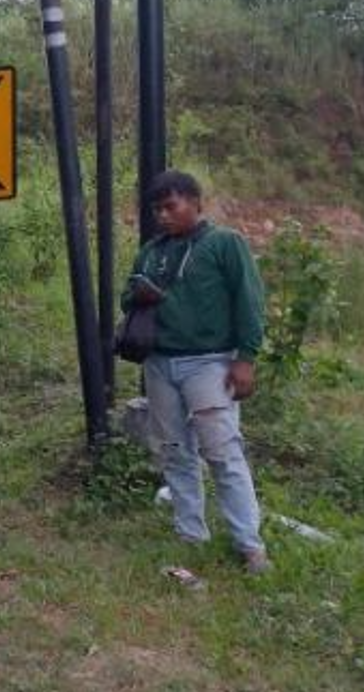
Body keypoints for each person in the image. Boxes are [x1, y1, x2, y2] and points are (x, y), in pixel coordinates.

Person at [123, 170, 270, 574]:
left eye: (171, 206)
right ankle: (190, 532)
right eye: (157, 209)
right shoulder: (153, 251)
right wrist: (138, 295)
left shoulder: (225, 244)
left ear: (196, 202)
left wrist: (246, 358)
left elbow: (249, 300)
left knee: (222, 450)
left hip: (210, 360)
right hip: (160, 362)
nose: (163, 216)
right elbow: (126, 298)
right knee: (174, 452)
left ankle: (249, 544)